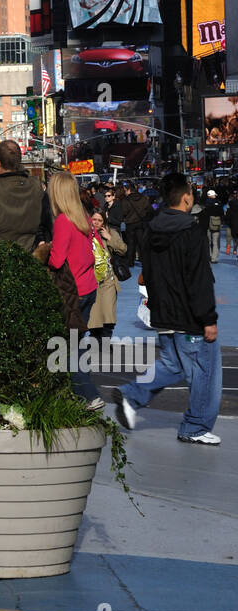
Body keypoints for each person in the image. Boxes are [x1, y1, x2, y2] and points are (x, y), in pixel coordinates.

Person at [113, 173, 222, 446]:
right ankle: (195, 426)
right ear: (186, 197)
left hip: (162, 313)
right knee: (205, 372)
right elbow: (198, 279)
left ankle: (131, 395)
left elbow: (148, 273)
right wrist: (208, 318)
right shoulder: (190, 230)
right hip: (189, 316)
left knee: (172, 365)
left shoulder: (151, 230)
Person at [47, 170, 99, 406]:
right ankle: (79, 395)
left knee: (65, 349)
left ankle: (89, 395)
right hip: (88, 288)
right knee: (76, 344)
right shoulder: (84, 217)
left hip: (71, 293)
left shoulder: (62, 221)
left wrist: (46, 250)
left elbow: (57, 261)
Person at [88, 210, 127, 342]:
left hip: (108, 279)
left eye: (99, 220)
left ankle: (105, 342)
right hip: (91, 279)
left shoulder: (111, 232)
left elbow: (123, 249)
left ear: (104, 222)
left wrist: (109, 238)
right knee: (94, 314)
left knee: (108, 313)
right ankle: (94, 341)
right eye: (94, 219)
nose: (96, 223)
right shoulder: (85, 233)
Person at [203, 189, 223, 264]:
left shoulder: (205, 204)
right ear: (212, 195)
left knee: (208, 241)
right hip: (216, 224)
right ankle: (214, 258)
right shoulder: (218, 203)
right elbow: (221, 213)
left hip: (207, 224)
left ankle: (209, 256)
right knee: (215, 242)